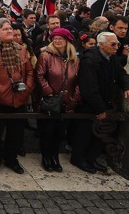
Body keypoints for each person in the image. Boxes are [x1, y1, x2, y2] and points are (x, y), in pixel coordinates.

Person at [71, 31, 129, 174]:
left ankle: (91, 158)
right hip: (90, 105)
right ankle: (78, 158)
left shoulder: (111, 58)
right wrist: (101, 109)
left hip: (104, 102)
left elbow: (122, 74)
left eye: (117, 44)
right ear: (101, 45)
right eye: (113, 44)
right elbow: (89, 88)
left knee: (99, 134)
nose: (116, 47)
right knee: (84, 133)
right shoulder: (90, 60)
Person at [0, 18, 34, 174]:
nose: (10, 31)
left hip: (19, 98)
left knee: (16, 133)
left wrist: (27, 88)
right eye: (5, 29)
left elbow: (29, 71)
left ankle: (11, 159)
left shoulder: (21, 49)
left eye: (10, 28)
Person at [35, 27, 80, 172]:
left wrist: (74, 97)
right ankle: (46, 157)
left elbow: (79, 79)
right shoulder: (46, 56)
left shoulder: (74, 59)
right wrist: (48, 92)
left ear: (67, 41)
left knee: (60, 132)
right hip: (50, 100)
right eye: (55, 38)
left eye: (60, 38)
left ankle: (55, 156)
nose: (57, 40)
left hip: (67, 100)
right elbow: (40, 75)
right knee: (48, 130)